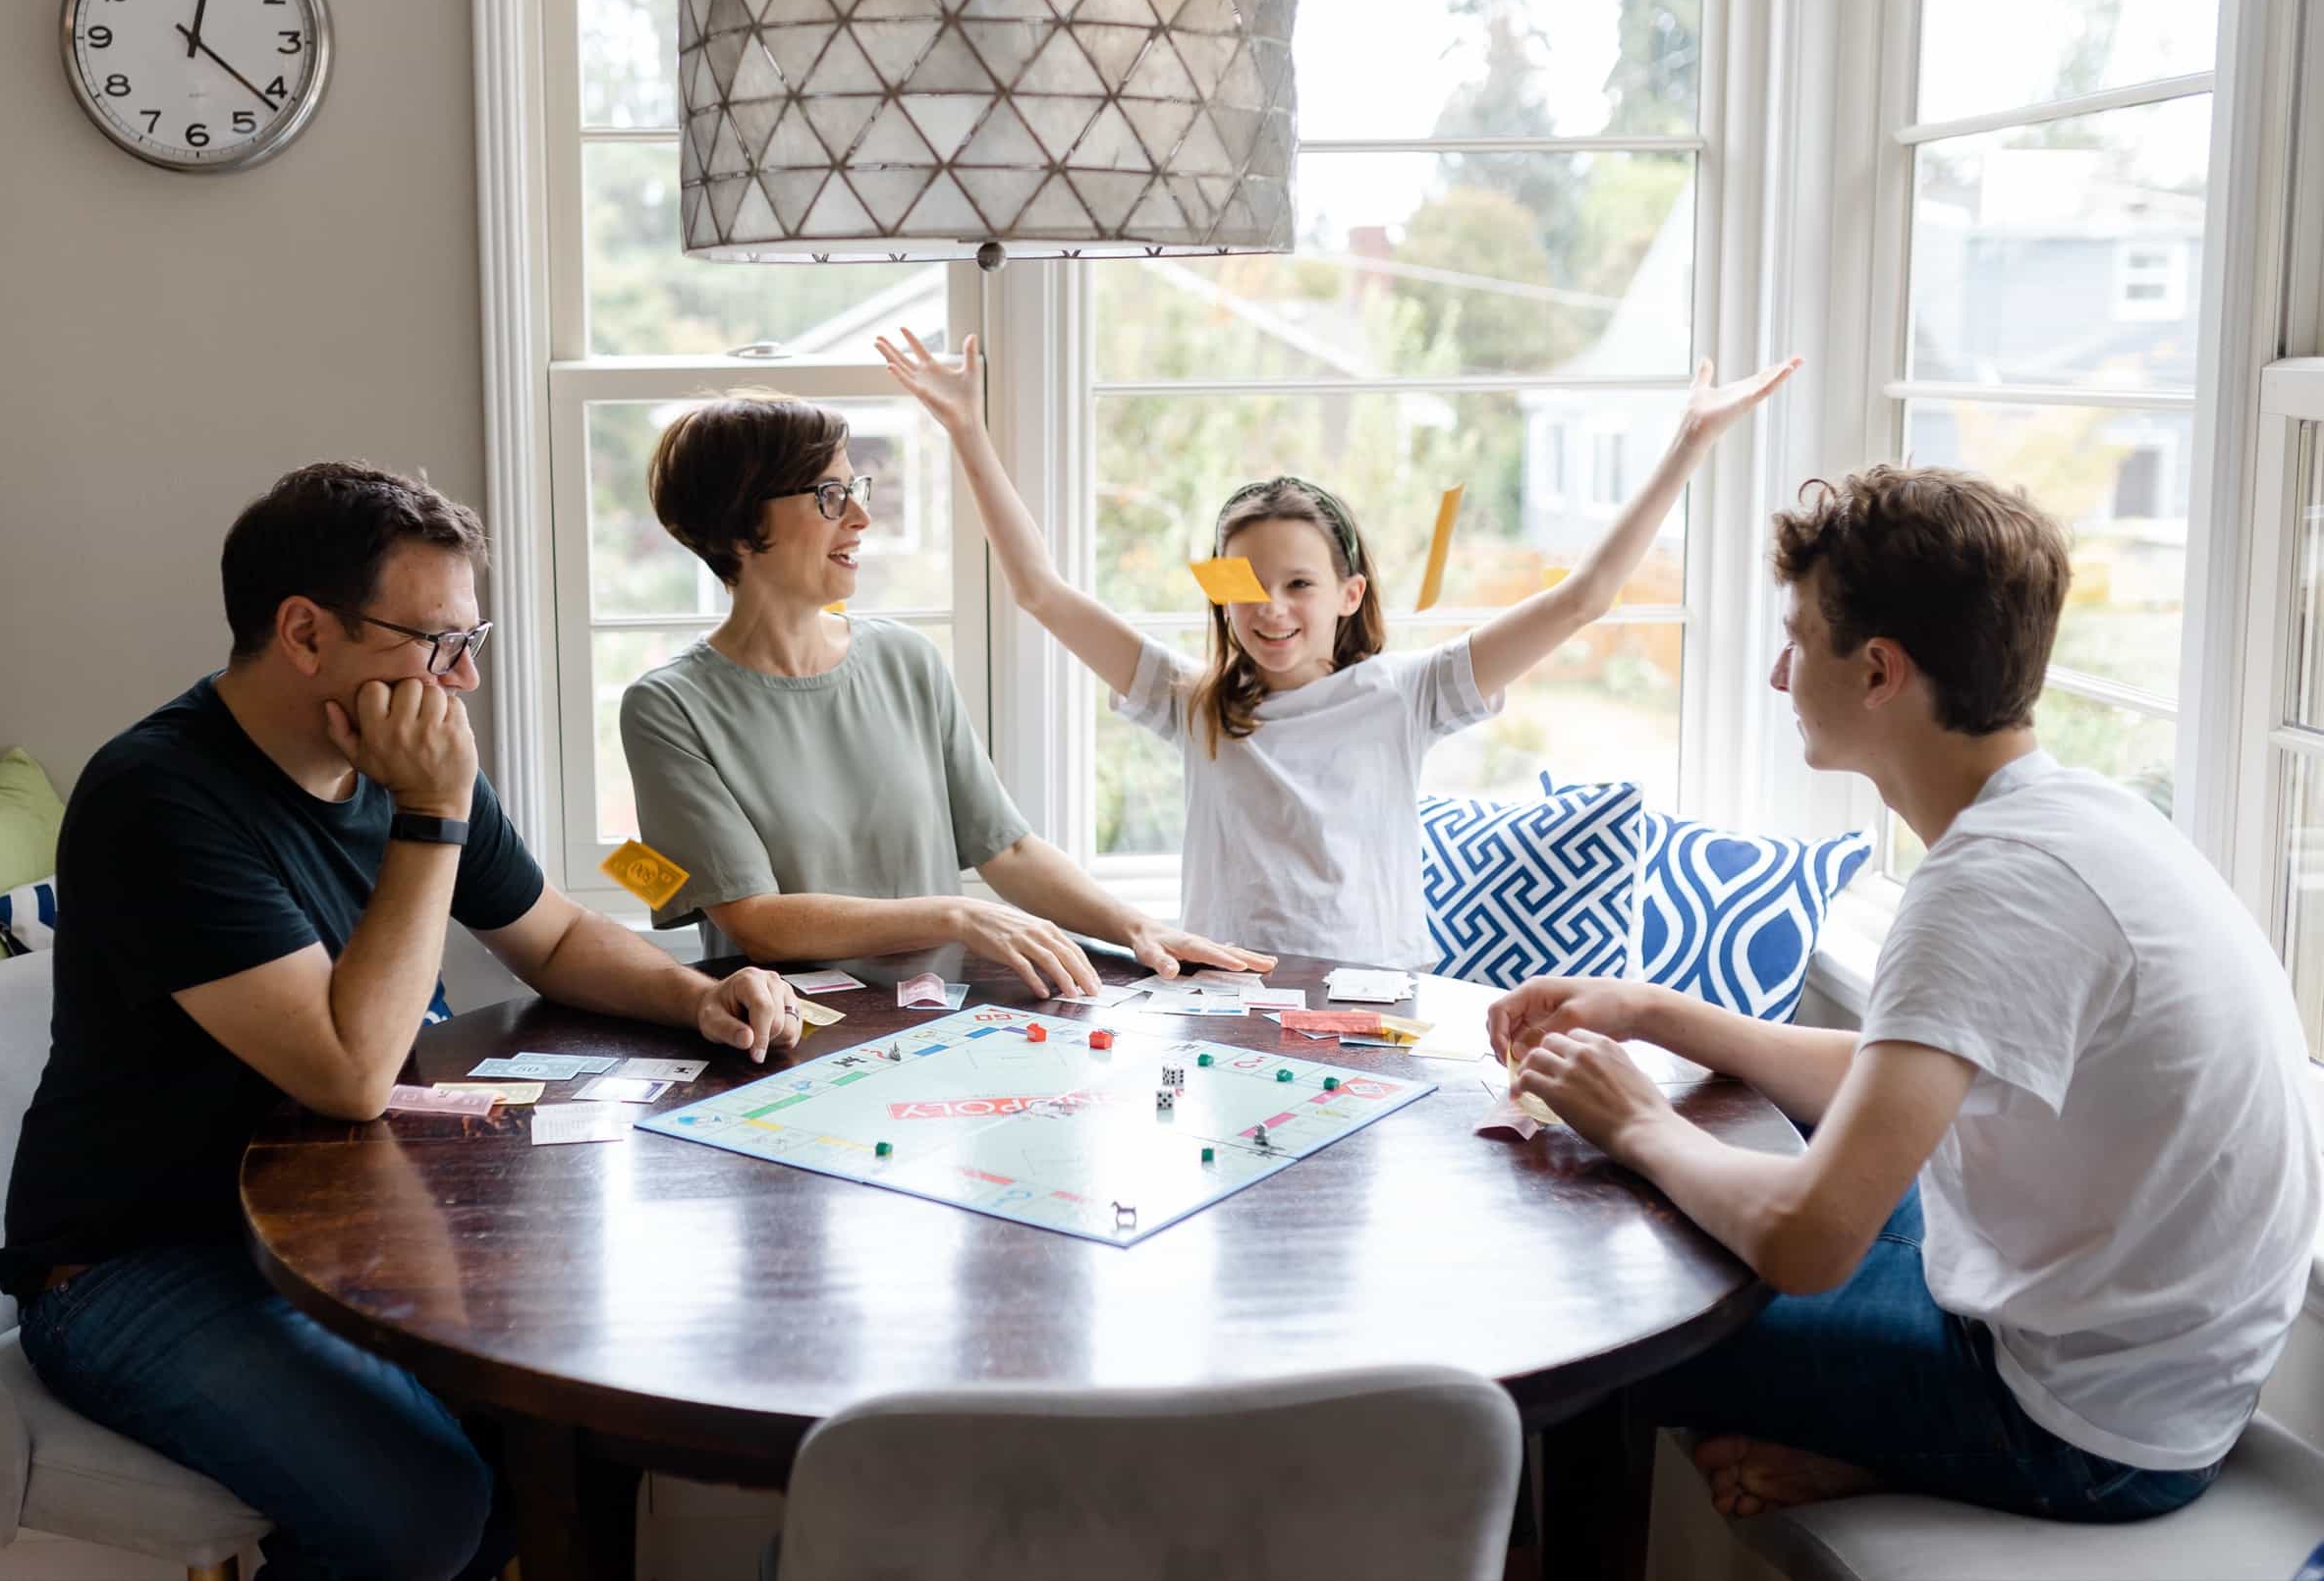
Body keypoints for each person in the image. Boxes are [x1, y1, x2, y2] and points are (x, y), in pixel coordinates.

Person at [0, 463, 804, 1581]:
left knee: (573, 1440)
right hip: (141, 1264)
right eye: (434, 642)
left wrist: (700, 992)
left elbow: (555, 938)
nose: (461, 681)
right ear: (304, 632)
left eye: (472, 641)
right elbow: (350, 1071)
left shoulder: (396, 750)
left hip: (345, 1230)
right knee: (425, 1514)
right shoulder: (158, 798)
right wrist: (431, 812)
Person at [1494, 464, 2323, 1523]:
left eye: (1796, 639)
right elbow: (1908, 1071)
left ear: (1879, 671)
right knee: (1679, 1214)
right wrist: (1656, 1011)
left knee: (1594, 1316)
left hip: (2080, 1430)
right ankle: (1860, 1445)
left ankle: (1917, 1452)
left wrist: (1637, 1119)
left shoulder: (1989, 884)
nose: (1777, 674)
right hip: (2138, 1364)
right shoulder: (2072, 817)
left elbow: (1805, 1240)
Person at [881, 328, 1799, 971]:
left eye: (1300, 585)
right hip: (1226, 990)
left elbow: (1585, 598)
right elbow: (1040, 589)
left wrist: (1687, 441)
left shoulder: (1410, 693)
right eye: (1248, 587)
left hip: (1376, 995)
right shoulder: (1193, 701)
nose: (1272, 610)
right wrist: (966, 429)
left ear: (1350, 594)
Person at [621, 393, 1267, 997]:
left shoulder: (905, 659)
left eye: (856, 488)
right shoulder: (668, 708)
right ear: (739, 526)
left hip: (937, 1025)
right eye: (828, 495)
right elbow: (755, 920)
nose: (861, 516)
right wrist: (958, 914)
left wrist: (1134, 926)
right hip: (784, 1046)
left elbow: (1007, 849)